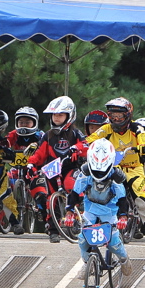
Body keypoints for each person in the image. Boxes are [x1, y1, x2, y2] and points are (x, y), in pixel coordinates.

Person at [85, 97, 145, 243]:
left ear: (128, 115)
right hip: (112, 167)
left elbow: (144, 139)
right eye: (113, 116)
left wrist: (143, 146)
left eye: (120, 116)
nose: (116, 119)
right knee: (97, 190)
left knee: (143, 197)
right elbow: (90, 139)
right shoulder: (106, 129)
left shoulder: (136, 128)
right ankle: (94, 224)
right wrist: (78, 147)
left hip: (134, 168)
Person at [63, 139, 132, 279]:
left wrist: (123, 216)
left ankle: (124, 259)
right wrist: (69, 211)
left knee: (113, 242)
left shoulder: (116, 178)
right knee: (83, 240)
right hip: (90, 210)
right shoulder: (85, 174)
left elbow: (122, 199)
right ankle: (87, 262)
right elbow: (75, 194)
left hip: (109, 211)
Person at [28, 95, 86, 243]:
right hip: (52, 171)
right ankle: (53, 230)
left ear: (69, 115)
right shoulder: (48, 136)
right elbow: (39, 153)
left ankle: (76, 215)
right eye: (54, 115)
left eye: (60, 115)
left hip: (70, 168)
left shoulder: (75, 133)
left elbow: (86, 146)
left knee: (71, 187)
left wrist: (77, 149)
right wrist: (31, 165)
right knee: (50, 200)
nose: (57, 118)